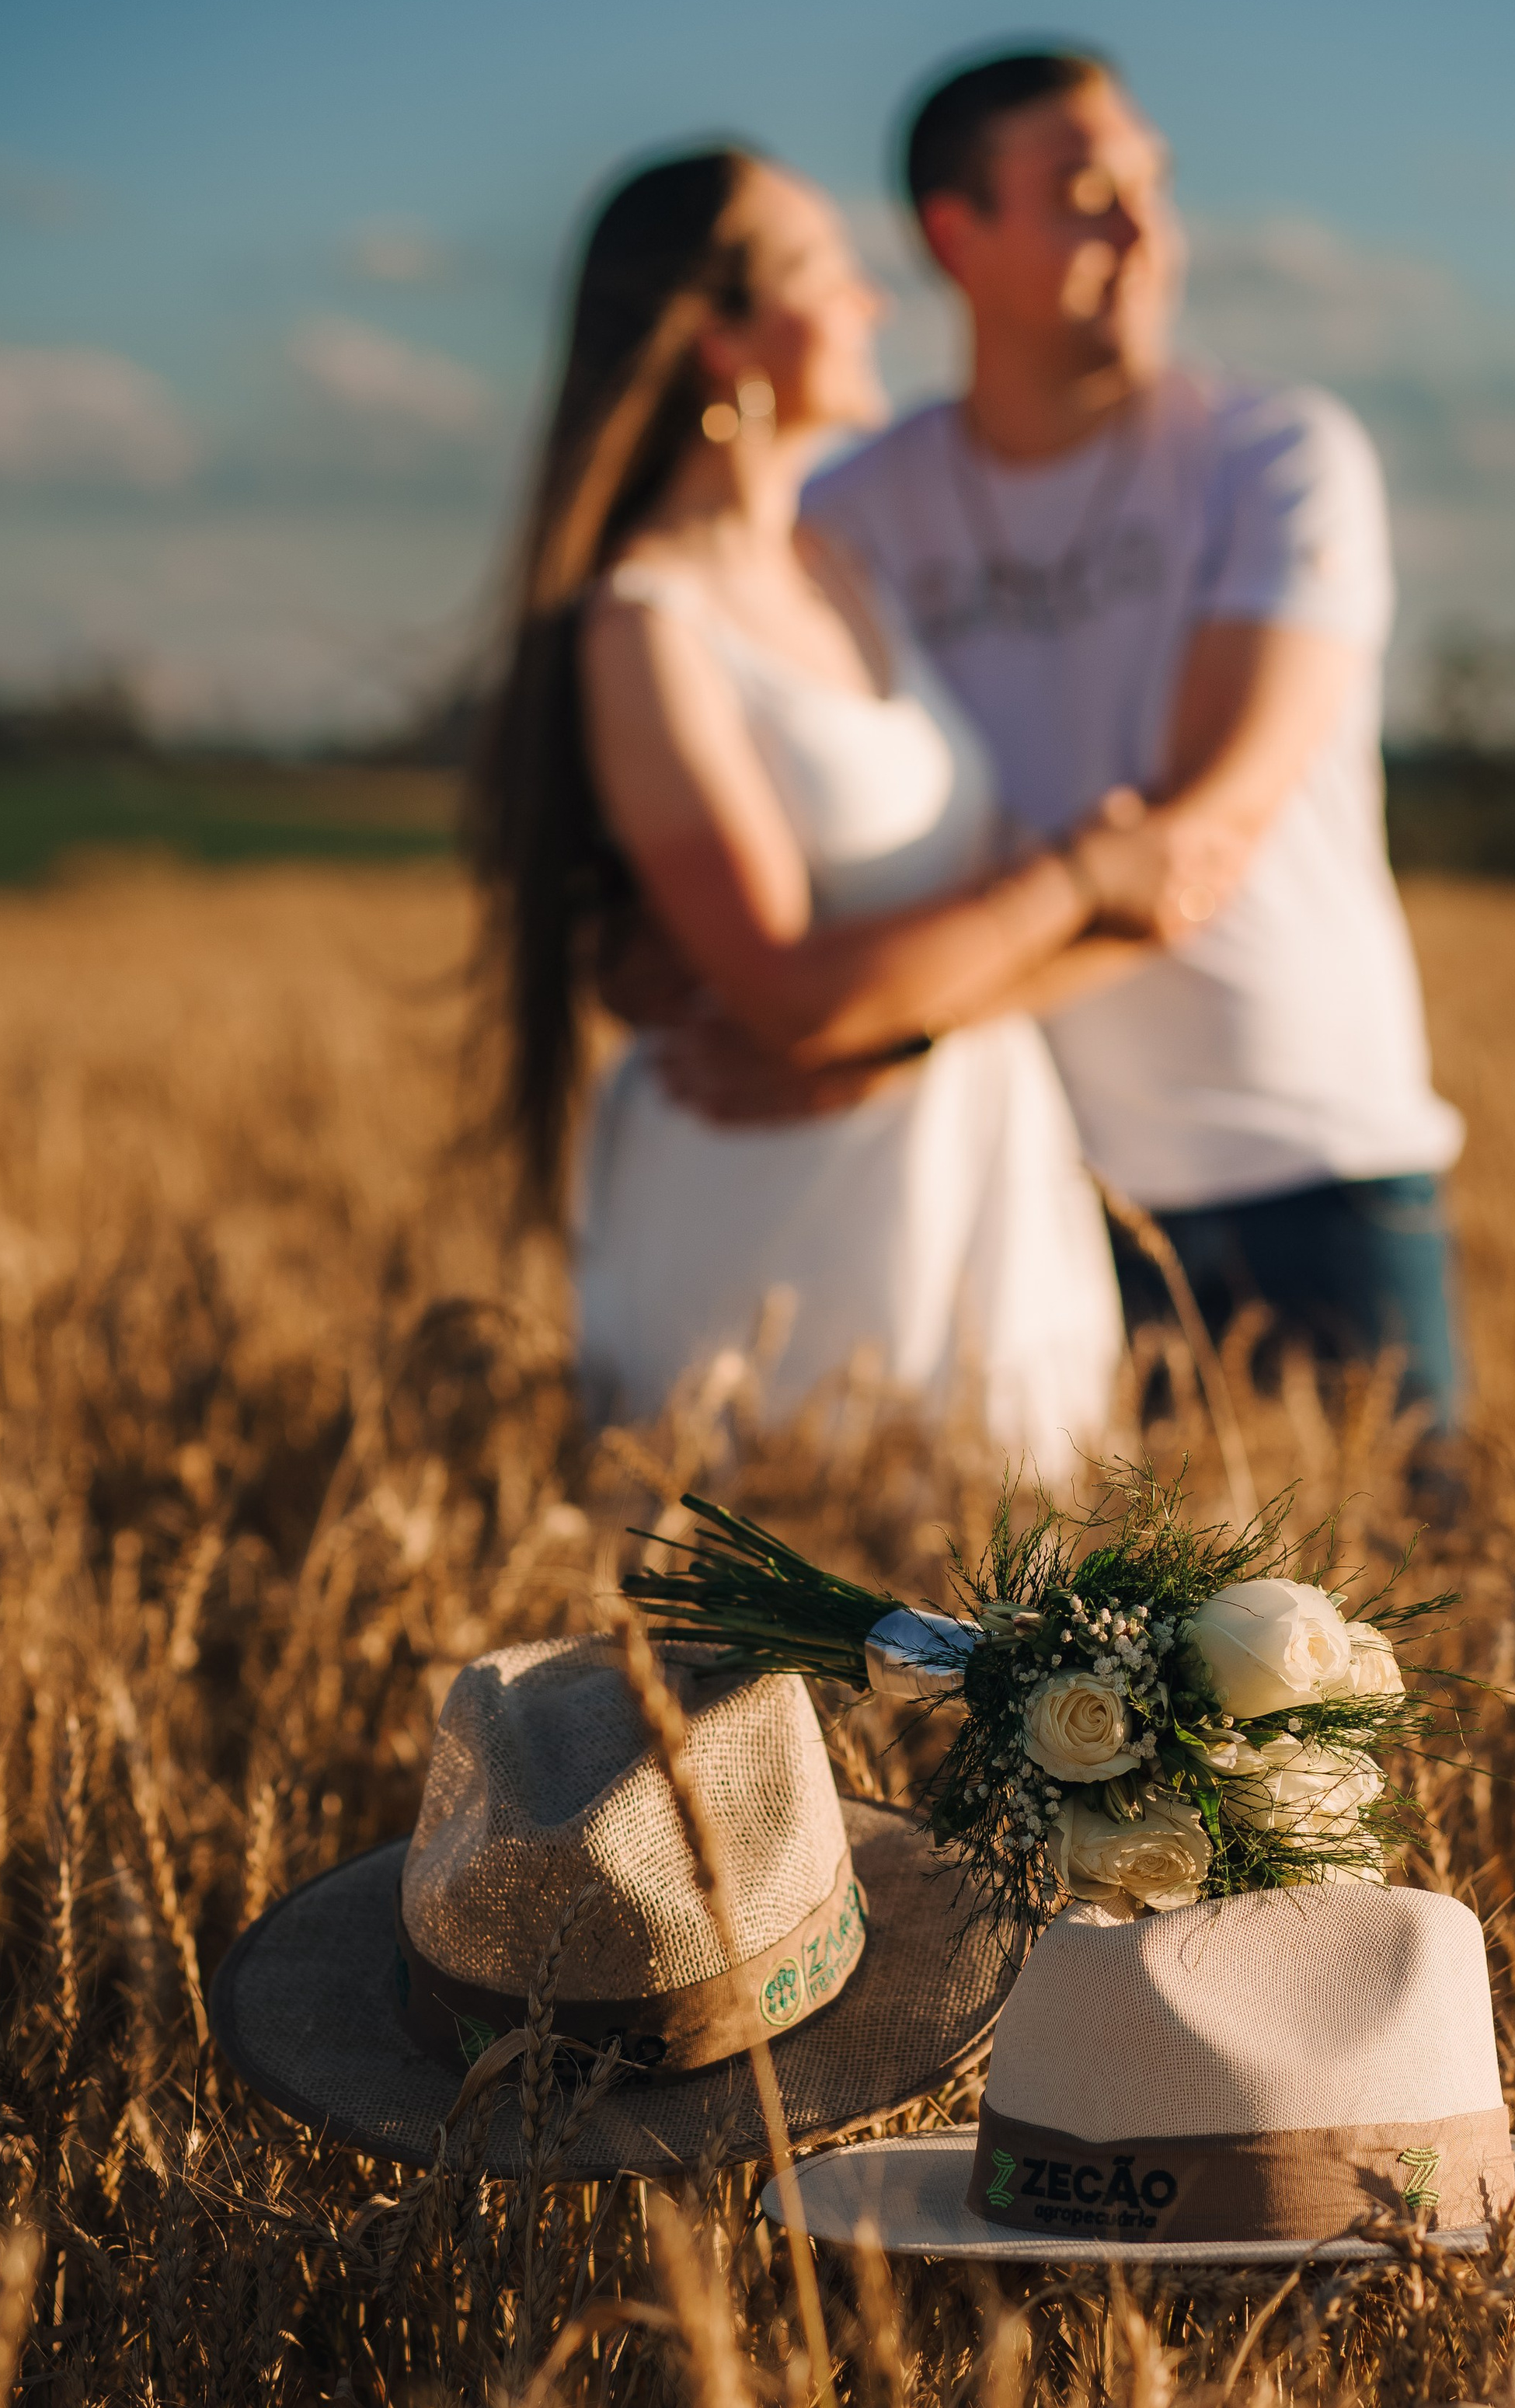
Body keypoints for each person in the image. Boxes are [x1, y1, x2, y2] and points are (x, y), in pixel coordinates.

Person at [469, 145, 1242, 1476]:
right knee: (782, 1647)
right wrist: (1076, 874)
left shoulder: (846, 572)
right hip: (777, 1219)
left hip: (968, 1176)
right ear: (722, 338)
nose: (876, 301)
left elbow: (873, 983)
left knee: (1004, 1641)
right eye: (828, 269)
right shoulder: (647, 624)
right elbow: (786, 998)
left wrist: (913, 1012)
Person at [800, 47, 1467, 1438]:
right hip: (1030, 1181)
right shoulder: (856, 515)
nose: (1145, 230)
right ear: (953, 234)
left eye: (1153, 187)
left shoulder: (1272, 456)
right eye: (1086, 194)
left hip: (1313, 1158)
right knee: (1051, 1652)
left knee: (1390, 1640)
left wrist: (866, 1023)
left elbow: (1200, 835)